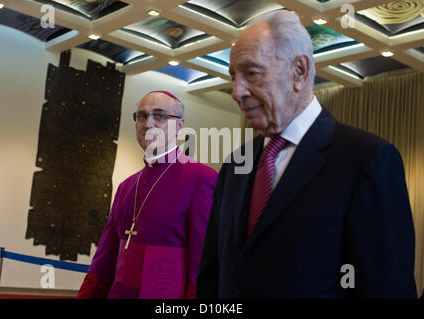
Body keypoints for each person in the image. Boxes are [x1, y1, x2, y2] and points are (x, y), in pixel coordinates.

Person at [196, 10, 417, 298]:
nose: (236, 91)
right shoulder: (235, 165)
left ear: (298, 72)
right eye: (233, 76)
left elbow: (388, 290)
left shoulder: (367, 160)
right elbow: (213, 276)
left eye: (251, 73)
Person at [77, 90, 217, 298]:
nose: (148, 124)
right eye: (141, 116)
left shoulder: (202, 178)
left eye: (159, 115)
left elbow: (202, 263)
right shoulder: (126, 187)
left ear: (179, 126)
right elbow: (105, 258)